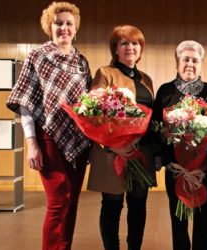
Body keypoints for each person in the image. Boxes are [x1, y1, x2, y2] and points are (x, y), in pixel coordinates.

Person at [6, 2, 91, 249]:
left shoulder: (81, 61)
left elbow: (86, 104)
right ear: (49, 26)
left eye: (69, 23)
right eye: (58, 23)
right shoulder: (37, 56)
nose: (63, 28)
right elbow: (24, 101)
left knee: (72, 201)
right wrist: (31, 143)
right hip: (49, 137)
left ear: (76, 28)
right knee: (57, 202)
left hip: (78, 141)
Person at [86, 25, 156, 250]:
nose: (130, 47)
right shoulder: (105, 73)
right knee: (112, 205)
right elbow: (93, 114)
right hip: (112, 151)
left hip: (140, 151)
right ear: (115, 49)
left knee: (138, 205)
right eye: (124, 43)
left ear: (141, 48)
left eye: (135, 43)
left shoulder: (146, 79)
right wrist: (114, 146)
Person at [152, 40, 207, 250]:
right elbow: (155, 125)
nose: (190, 64)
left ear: (201, 64)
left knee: (206, 218)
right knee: (179, 219)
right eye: (186, 59)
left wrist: (205, 135)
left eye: (195, 60)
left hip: (206, 168)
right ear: (177, 62)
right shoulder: (165, 91)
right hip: (177, 167)